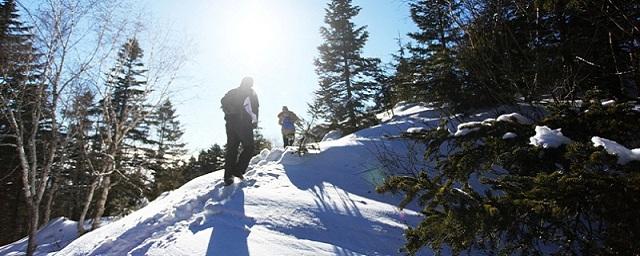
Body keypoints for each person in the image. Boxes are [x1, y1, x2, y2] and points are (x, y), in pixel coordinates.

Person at [221, 77, 259, 186]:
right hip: (243, 123)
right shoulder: (251, 93)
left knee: (232, 149)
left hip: (230, 123)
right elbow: (255, 108)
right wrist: (254, 121)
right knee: (249, 146)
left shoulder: (233, 92)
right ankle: (237, 170)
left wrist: (230, 111)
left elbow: (223, 100)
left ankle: (228, 177)